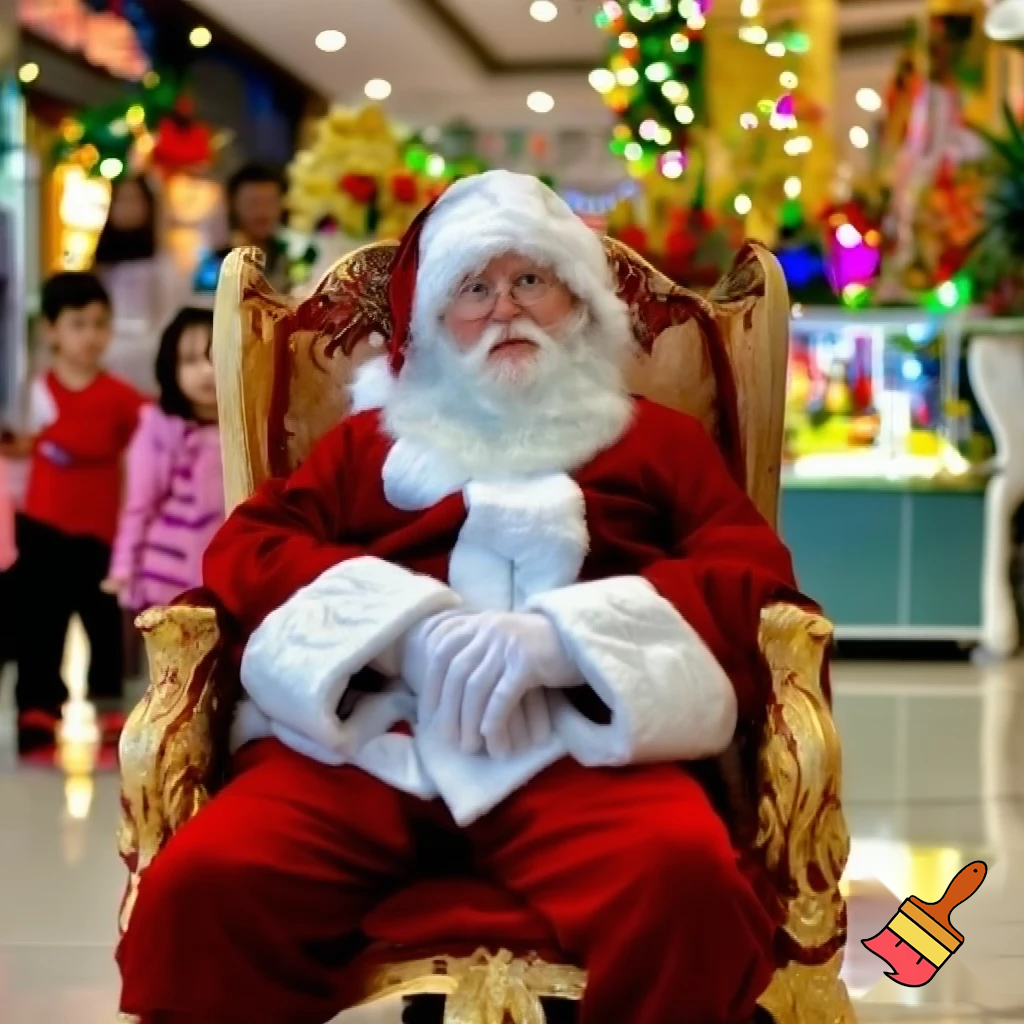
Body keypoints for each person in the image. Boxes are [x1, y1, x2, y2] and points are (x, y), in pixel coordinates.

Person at [118, 171, 806, 1024]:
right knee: (209, 882)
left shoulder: (654, 441)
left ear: (579, 302)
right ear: (434, 323)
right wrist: (398, 629)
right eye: (473, 288)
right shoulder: (366, 446)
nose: (504, 310)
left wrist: (570, 640)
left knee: (683, 881)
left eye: (530, 281)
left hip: (579, 742)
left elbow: (749, 566)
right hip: (374, 740)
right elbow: (249, 550)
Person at [1, 273, 143, 756]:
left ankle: (109, 706)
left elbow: (153, 446)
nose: (91, 335)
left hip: (102, 533)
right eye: (78, 324)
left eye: (100, 323)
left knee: (104, 625)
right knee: (38, 623)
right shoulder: (28, 394)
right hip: (40, 529)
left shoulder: (123, 399)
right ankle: (37, 706)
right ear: (52, 331)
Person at [104, 307, 222, 613]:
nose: (207, 371)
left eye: (215, 356)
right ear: (171, 367)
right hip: (167, 582)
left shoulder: (250, 426)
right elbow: (139, 504)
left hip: (226, 579)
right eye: (191, 361)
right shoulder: (160, 428)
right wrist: (123, 569)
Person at [94, 175, 186, 395]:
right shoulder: (101, 267)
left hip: (148, 362)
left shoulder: (163, 266)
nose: (127, 208)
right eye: (121, 200)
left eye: (135, 200)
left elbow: (169, 316)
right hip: (103, 358)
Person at [193, 163, 292, 296]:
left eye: (269, 202)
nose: (262, 212)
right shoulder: (214, 262)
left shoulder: (294, 256)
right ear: (233, 204)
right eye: (253, 203)